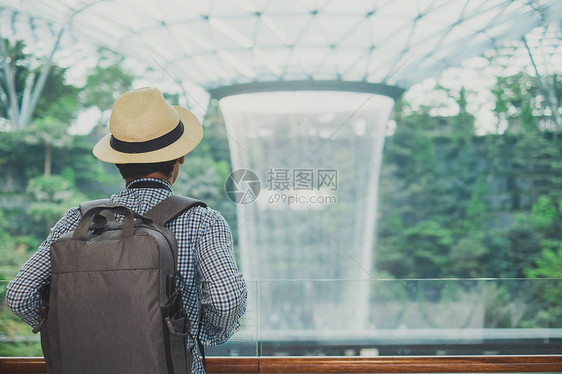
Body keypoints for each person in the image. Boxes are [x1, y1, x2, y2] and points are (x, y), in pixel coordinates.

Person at [6, 87, 247, 373]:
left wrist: (64, 326)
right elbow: (225, 299)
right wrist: (195, 334)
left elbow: (19, 294)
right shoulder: (203, 221)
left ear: (117, 161)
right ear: (179, 157)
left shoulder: (77, 220)